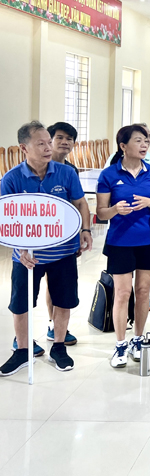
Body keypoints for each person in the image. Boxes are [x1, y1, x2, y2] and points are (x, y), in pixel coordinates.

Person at [0, 121, 92, 376]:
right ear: (24, 148)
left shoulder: (66, 173)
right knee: (21, 303)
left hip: (63, 252)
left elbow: (80, 202)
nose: (48, 147)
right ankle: (22, 350)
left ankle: (59, 347)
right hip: (27, 256)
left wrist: (85, 230)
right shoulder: (12, 179)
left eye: (48, 142)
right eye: (40, 143)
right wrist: (21, 247)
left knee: (64, 300)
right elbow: (5, 219)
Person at [96, 125, 150, 369]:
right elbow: (100, 213)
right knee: (123, 293)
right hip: (120, 242)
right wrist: (115, 209)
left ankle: (138, 339)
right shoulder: (108, 175)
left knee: (144, 293)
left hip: (149, 241)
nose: (145, 145)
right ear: (123, 146)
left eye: (146, 140)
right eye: (139, 141)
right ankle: (120, 344)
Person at [44, 122, 80, 345]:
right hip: (39, 237)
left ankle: (58, 328)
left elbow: (77, 206)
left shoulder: (71, 171)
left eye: (69, 138)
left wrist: (78, 235)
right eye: (60, 137)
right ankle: (51, 323)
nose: (65, 142)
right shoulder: (36, 167)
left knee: (58, 283)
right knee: (47, 281)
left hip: (65, 238)